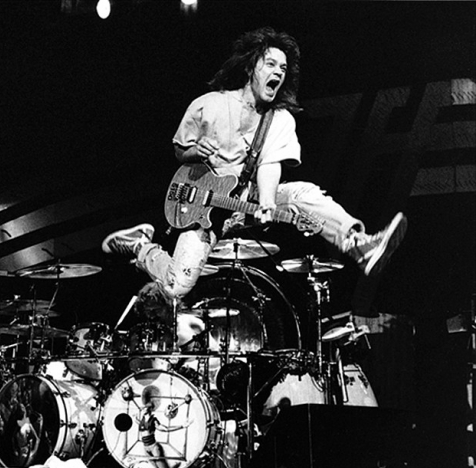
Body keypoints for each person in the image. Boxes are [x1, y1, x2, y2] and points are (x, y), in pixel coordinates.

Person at [102, 27, 407, 304]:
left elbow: (269, 164)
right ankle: (140, 246)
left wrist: (268, 201)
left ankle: (359, 245)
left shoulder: (279, 119)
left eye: (283, 69)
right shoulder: (210, 104)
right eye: (271, 64)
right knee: (175, 287)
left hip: (247, 199)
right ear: (250, 67)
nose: (278, 72)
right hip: (202, 206)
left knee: (302, 194)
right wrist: (195, 150)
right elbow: (180, 149)